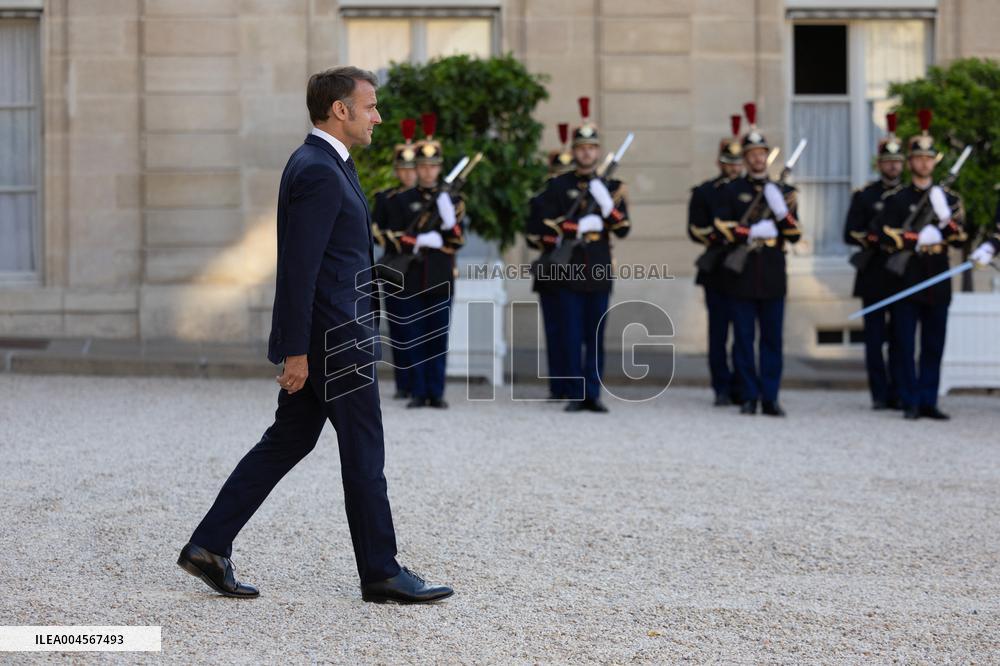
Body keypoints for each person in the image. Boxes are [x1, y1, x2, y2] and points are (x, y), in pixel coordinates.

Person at [177, 67, 453, 604]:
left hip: (331, 336)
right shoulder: (319, 170)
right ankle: (381, 572)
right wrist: (296, 352)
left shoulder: (325, 163)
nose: (379, 116)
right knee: (364, 450)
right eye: (370, 106)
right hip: (335, 341)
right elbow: (299, 268)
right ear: (340, 110)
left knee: (289, 439)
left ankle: (209, 545)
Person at [538, 96, 630, 413]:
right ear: (574, 151)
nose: (587, 152)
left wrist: (606, 206)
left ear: (598, 151)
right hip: (569, 267)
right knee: (572, 333)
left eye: (592, 148)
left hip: (600, 266)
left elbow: (623, 228)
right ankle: (576, 392)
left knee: (595, 334)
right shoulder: (559, 185)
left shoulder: (613, 186)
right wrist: (576, 225)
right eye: (581, 148)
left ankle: (593, 392)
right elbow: (549, 224)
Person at [714, 102, 801, 416]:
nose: (757, 158)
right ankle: (748, 395)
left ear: (767, 156)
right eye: (751, 154)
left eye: (761, 153)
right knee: (744, 339)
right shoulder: (731, 190)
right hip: (742, 272)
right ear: (745, 158)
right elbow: (722, 229)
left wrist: (781, 215)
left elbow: (794, 234)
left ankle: (771, 396)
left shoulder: (783, 192)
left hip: (773, 272)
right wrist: (751, 230)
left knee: (772, 341)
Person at [879, 109, 966, 420]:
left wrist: (944, 224)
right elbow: (884, 238)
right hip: (907, 276)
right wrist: (916, 237)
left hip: (937, 275)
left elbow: (959, 237)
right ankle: (909, 399)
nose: (924, 163)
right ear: (911, 161)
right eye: (919, 158)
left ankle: (928, 399)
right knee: (903, 343)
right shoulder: (897, 198)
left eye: (930, 158)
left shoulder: (949, 199)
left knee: (933, 342)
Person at [391, 113, 466, 409]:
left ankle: (436, 392)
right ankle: (418, 391)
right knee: (413, 335)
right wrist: (419, 240)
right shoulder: (400, 199)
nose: (428, 171)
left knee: (437, 337)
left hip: (439, 276)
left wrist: (448, 221)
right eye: (423, 166)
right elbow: (395, 236)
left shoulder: (454, 201)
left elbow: (458, 239)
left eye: (433, 166)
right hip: (409, 277)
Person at [844, 113, 905, 410]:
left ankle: (900, 390)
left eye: (897, 161)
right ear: (879, 164)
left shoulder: (911, 196)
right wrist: (874, 239)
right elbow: (850, 232)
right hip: (874, 272)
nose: (893, 166)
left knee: (901, 337)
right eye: (888, 161)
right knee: (874, 338)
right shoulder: (866, 196)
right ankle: (879, 394)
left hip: (904, 274)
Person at [688, 114, 744, 406]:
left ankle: (741, 384)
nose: (733, 168)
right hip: (718, 268)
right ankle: (721, 385)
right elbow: (695, 229)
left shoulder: (750, 193)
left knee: (744, 332)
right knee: (719, 332)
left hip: (745, 271)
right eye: (729, 162)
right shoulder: (706, 192)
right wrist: (720, 235)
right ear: (719, 162)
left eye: (738, 163)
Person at [526, 122, 574, 399]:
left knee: (575, 331)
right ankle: (558, 385)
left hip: (576, 268)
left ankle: (575, 385)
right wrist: (552, 237)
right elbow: (533, 234)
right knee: (555, 330)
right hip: (551, 268)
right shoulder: (542, 200)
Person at [372, 118, 418, 399]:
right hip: (394, 267)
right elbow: (376, 230)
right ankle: (404, 383)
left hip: (419, 269)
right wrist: (397, 239)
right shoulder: (386, 198)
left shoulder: (429, 198)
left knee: (420, 327)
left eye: (411, 169)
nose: (407, 174)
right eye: (403, 169)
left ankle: (419, 383)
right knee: (400, 328)